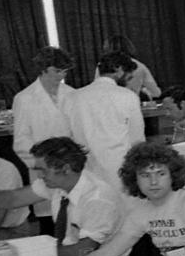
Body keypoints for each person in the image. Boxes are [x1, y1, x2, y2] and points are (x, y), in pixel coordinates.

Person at [0, 136, 123, 256]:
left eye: (43, 170)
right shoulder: (57, 183)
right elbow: (14, 198)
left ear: (66, 169)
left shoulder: (97, 198)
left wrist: (31, 255)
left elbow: (85, 250)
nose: (39, 176)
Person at [63, 52, 147, 186]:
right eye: (129, 76)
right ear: (119, 70)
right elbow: (137, 138)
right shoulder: (127, 96)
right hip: (120, 168)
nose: (128, 81)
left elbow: (66, 136)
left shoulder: (72, 97)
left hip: (86, 168)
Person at [12, 46, 74, 169]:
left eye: (65, 71)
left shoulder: (72, 93)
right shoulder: (24, 98)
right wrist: (41, 162)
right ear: (43, 69)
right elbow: (21, 139)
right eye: (57, 71)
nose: (62, 75)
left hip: (70, 161)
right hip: (43, 165)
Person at [99, 35, 160, 100]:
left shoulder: (103, 65)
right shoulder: (140, 66)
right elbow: (156, 93)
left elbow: (97, 88)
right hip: (132, 101)